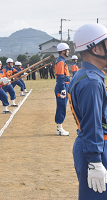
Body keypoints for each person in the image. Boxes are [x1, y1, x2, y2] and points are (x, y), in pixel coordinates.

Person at [69, 23, 107, 200]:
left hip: (92, 145)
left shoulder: (87, 75)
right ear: (96, 48)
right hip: (95, 149)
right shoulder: (91, 81)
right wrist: (95, 162)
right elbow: (93, 123)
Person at [54, 42, 70, 136]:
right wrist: (63, 88)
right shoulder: (60, 61)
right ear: (63, 51)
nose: (68, 51)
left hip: (64, 86)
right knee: (61, 106)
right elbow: (60, 77)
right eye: (67, 50)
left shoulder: (63, 61)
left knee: (63, 106)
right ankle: (59, 128)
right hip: (61, 87)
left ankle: (60, 127)